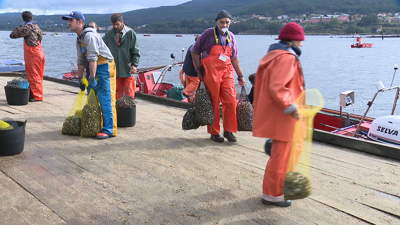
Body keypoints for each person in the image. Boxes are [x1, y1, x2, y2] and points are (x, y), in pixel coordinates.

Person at [253, 22, 306, 207]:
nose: (302, 44)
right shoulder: (287, 58)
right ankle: (273, 194)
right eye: (301, 41)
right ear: (293, 41)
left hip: (278, 116)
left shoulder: (274, 55)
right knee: (282, 158)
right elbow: (278, 87)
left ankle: (274, 191)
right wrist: (292, 107)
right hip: (286, 117)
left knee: (281, 155)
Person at [191, 10, 245, 143]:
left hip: (227, 72)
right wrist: (199, 69)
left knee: (231, 101)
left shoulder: (231, 36)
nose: (224, 24)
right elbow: (194, 51)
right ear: (216, 22)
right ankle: (214, 132)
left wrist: (240, 75)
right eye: (222, 22)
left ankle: (229, 131)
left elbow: (235, 58)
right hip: (211, 72)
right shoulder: (208, 34)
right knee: (214, 102)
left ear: (230, 23)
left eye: (227, 22)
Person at [62, 11, 117, 139]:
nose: (68, 23)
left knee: (105, 97)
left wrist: (92, 78)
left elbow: (93, 58)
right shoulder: (79, 37)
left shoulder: (89, 36)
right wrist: (81, 78)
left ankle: (109, 129)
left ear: (80, 22)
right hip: (93, 65)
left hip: (104, 65)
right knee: (92, 98)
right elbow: (81, 60)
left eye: (71, 20)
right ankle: (97, 125)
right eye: (68, 20)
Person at [10, 11, 45, 102]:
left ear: (23, 19)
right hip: (40, 52)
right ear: (32, 18)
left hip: (32, 54)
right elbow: (40, 38)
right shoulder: (37, 27)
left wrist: (19, 27)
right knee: (39, 74)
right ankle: (37, 93)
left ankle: (37, 96)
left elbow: (12, 35)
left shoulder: (26, 28)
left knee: (33, 74)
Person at [103, 13, 140, 100]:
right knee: (116, 96)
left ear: (122, 22)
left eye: (117, 24)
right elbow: (102, 48)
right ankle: (117, 112)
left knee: (129, 96)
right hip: (114, 71)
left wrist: (134, 65)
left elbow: (136, 51)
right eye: (113, 24)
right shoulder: (109, 34)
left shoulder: (131, 33)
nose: (115, 26)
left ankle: (128, 112)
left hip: (127, 70)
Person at [181, 35, 201, 102]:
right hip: (192, 71)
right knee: (196, 82)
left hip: (186, 69)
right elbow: (196, 61)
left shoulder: (191, 46)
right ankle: (187, 91)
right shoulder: (197, 49)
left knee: (190, 84)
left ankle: (191, 99)